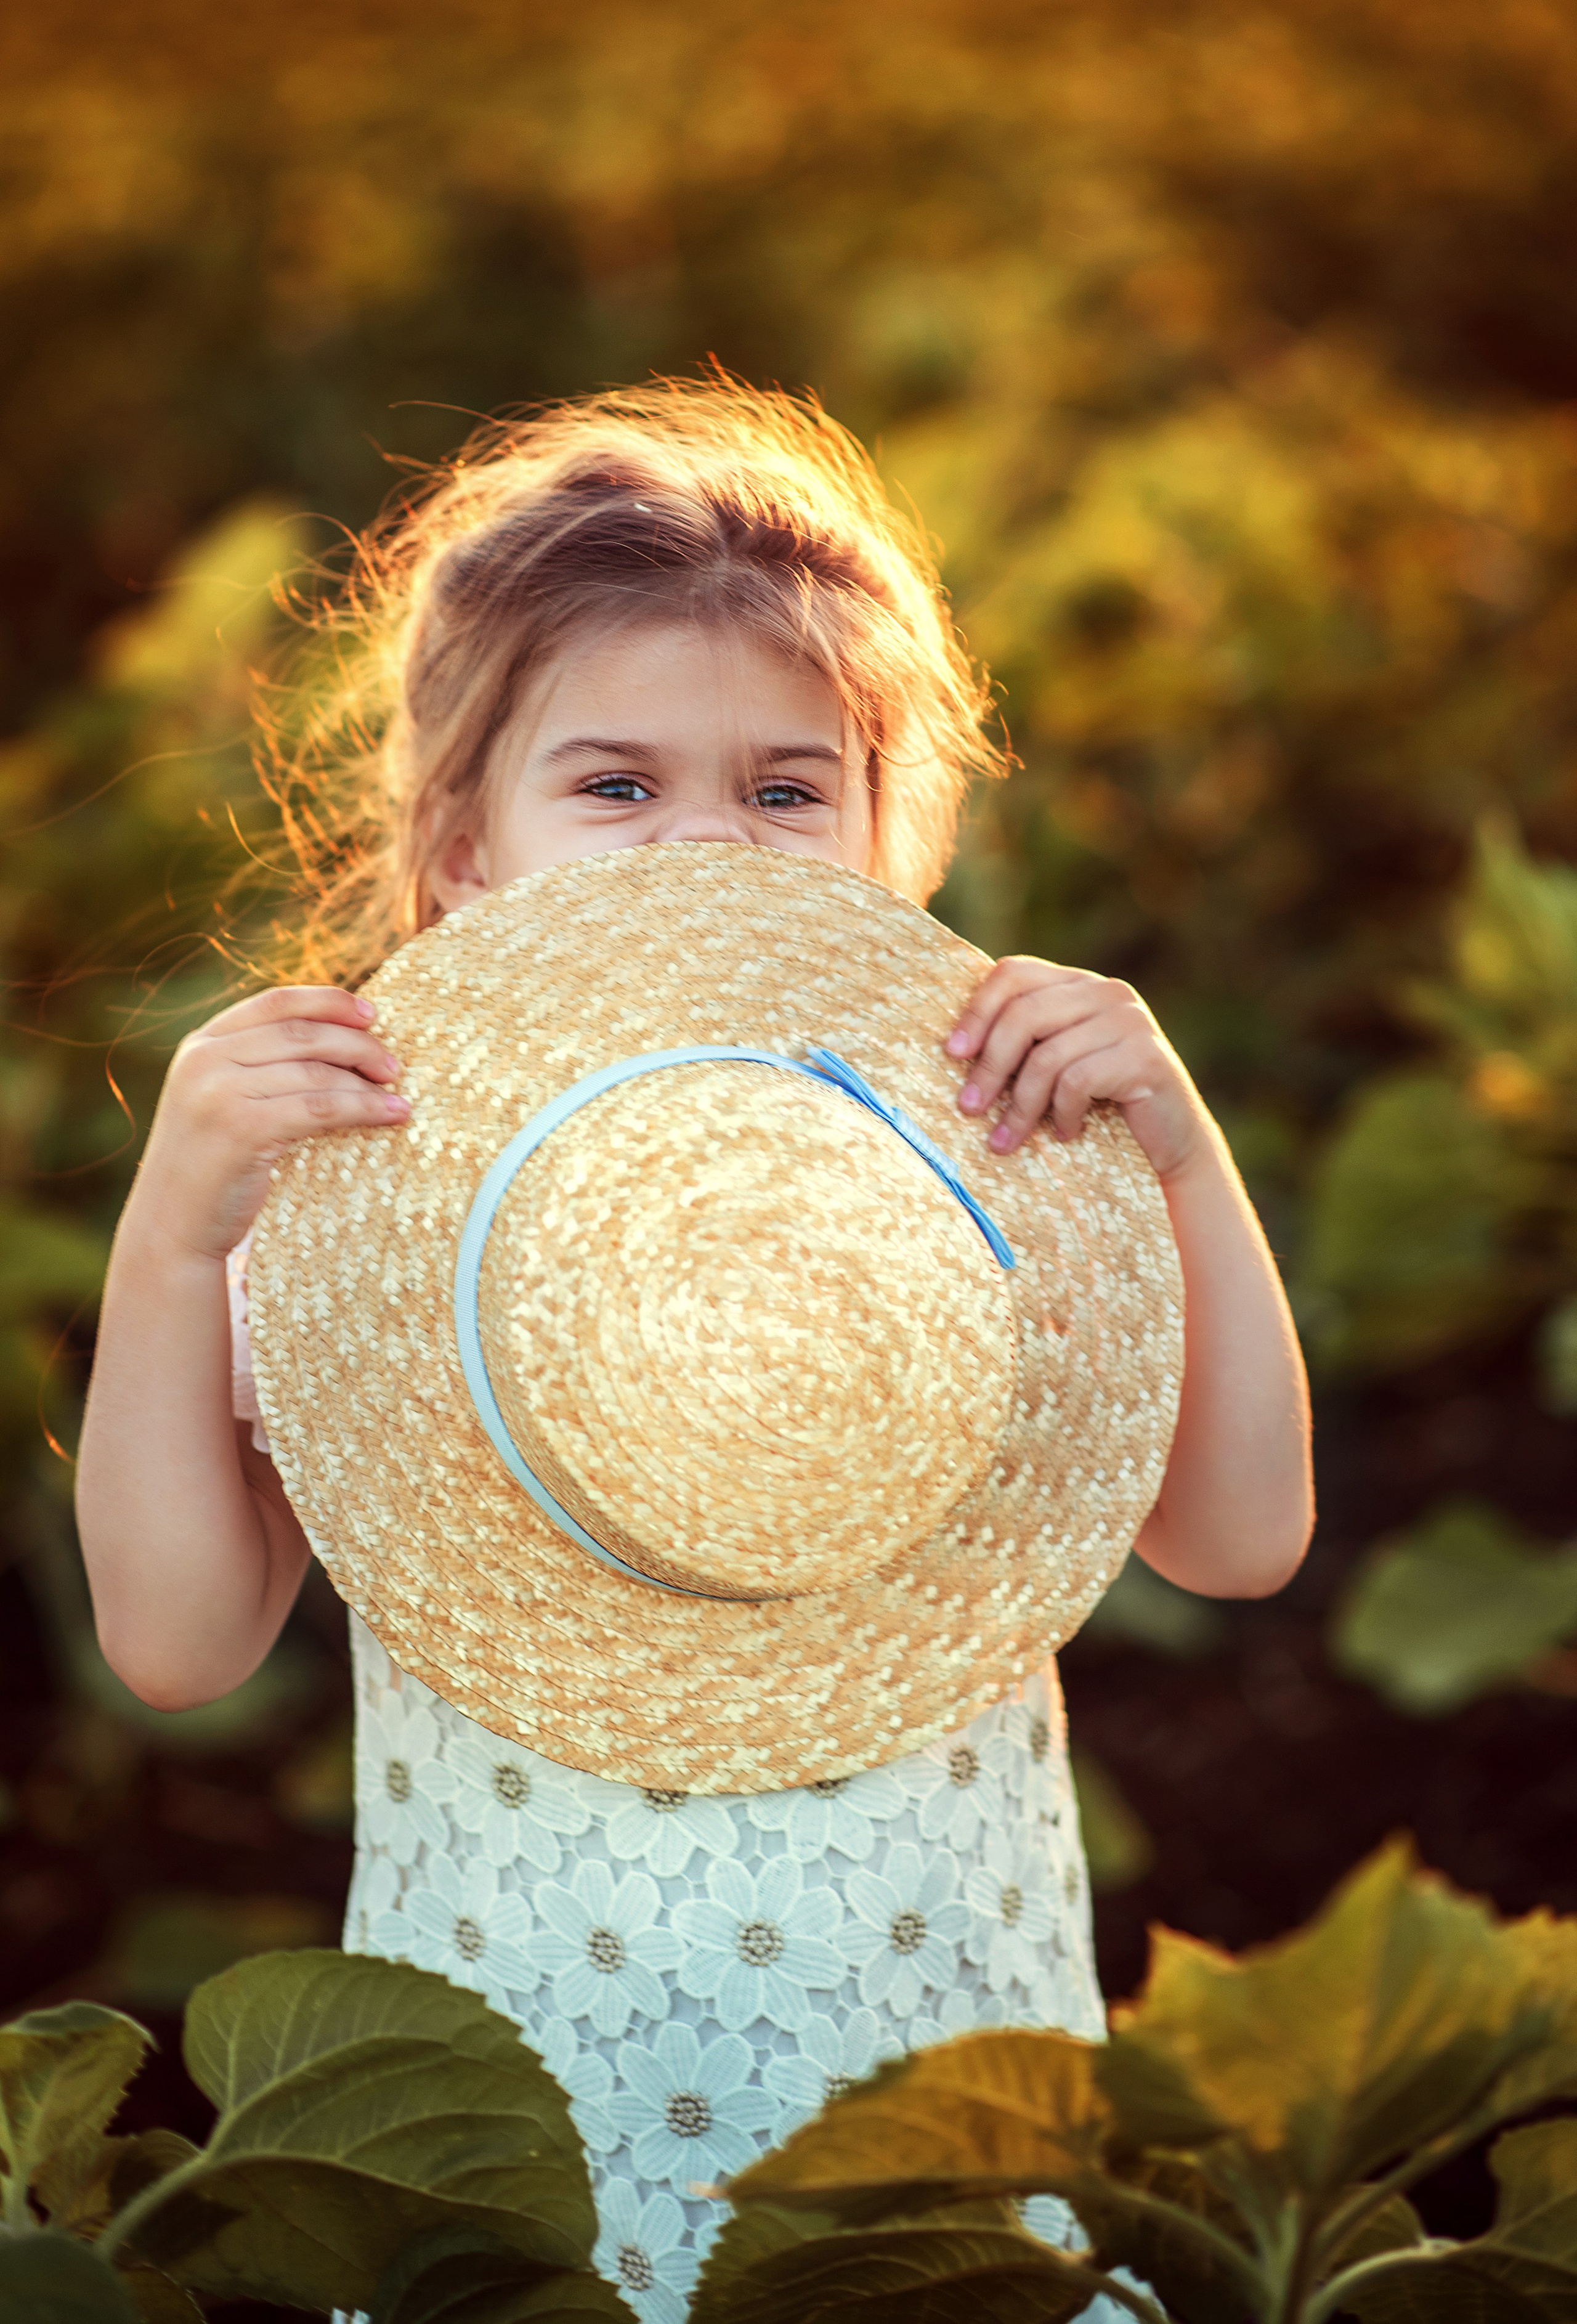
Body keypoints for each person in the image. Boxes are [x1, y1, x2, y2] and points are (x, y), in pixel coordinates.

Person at [76, 377, 1312, 2318]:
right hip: (540, 2097)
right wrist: (173, 1235)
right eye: (619, 784)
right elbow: (175, 1640)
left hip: (934, 2091)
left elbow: (1237, 1536)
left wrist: (1177, 1148)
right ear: (466, 842)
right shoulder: (370, 1188)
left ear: (897, 833)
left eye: (789, 787)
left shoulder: (976, 1147)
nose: (708, 846)